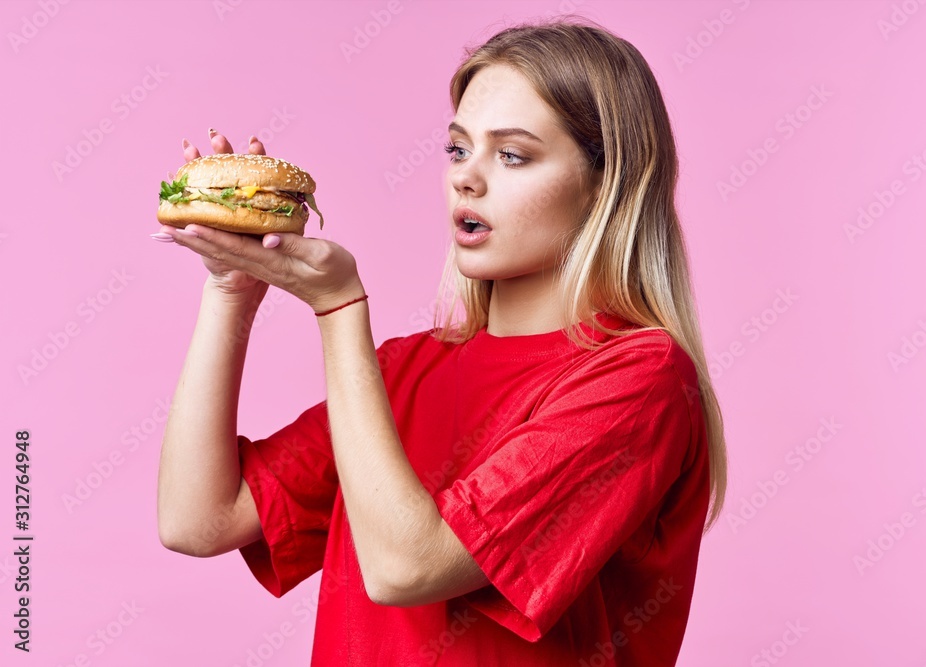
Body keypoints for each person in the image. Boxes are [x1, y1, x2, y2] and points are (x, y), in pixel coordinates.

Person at [155, 16, 728, 667]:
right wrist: (231, 290)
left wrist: (339, 308)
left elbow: (407, 566)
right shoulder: (404, 368)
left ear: (608, 182)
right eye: (458, 149)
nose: (467, 178)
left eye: (512, 155)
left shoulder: (642, 378)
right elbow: (197, 518)